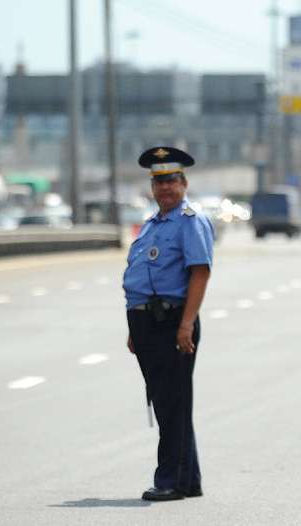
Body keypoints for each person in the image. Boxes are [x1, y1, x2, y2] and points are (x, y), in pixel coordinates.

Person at [123, 146, 215, 502]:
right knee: (169, 402)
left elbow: (200, 272)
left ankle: (170, 480)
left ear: (184, 183)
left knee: (171, 404)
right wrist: (135, 328)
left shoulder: (190, 221)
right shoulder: (152, 225)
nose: (165, 189)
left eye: (172, 181)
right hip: (148, 323)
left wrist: (186, 324)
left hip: (173, 321)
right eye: (159, 182)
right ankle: (187, 480)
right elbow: (144, 277)